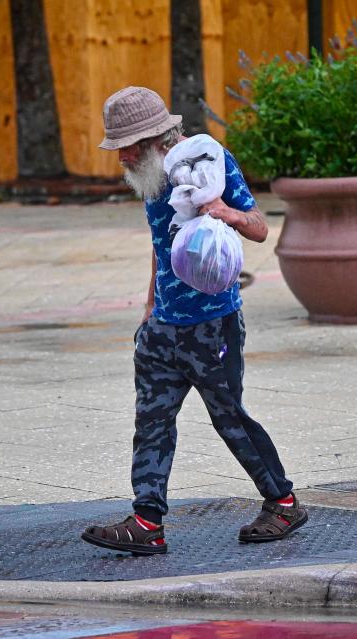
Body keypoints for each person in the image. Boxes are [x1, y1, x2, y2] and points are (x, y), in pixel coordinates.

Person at [80, 86, 306, 556]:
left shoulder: (208, 162)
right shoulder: (150, 180)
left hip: (211, 325)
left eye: (126, 147)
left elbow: (261, 228)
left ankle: (283, 502)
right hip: (162, 328)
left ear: (153, 139)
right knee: (152, 422)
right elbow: (162, 248)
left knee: (230, 419)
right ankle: (147, 522)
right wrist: (148, 312)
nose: (120, 157)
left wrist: (225, 213)